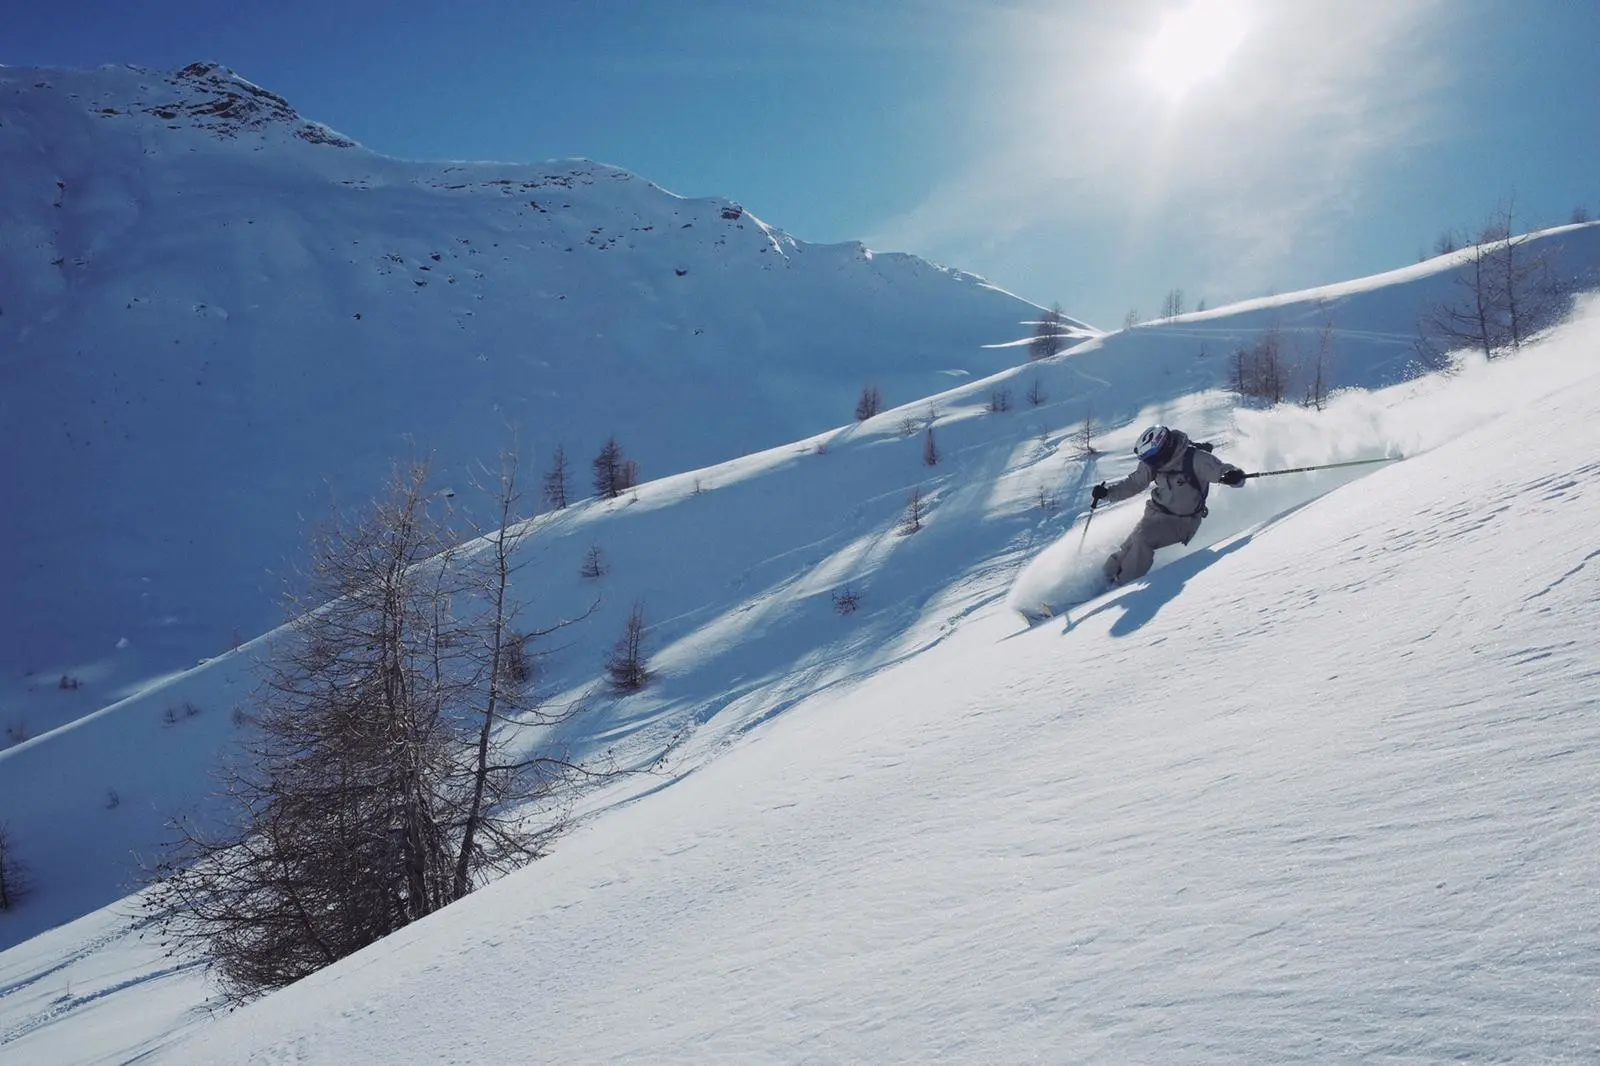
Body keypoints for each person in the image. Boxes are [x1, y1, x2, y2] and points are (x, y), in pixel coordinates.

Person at [1091, 425, 1246, 587]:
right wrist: (1108, 493)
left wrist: (1233, 476)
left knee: (1143, 540)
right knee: (1129, 546)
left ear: (1165, 448)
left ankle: (1122, 587)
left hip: (1182, 522)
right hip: (1154, 513)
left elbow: (1222, 471)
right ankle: (1103, 579)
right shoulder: (1153, 462)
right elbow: (1135, 483)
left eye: (1152, 459)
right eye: (1147, 460)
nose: (1150, 464)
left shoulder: (1196, 459)